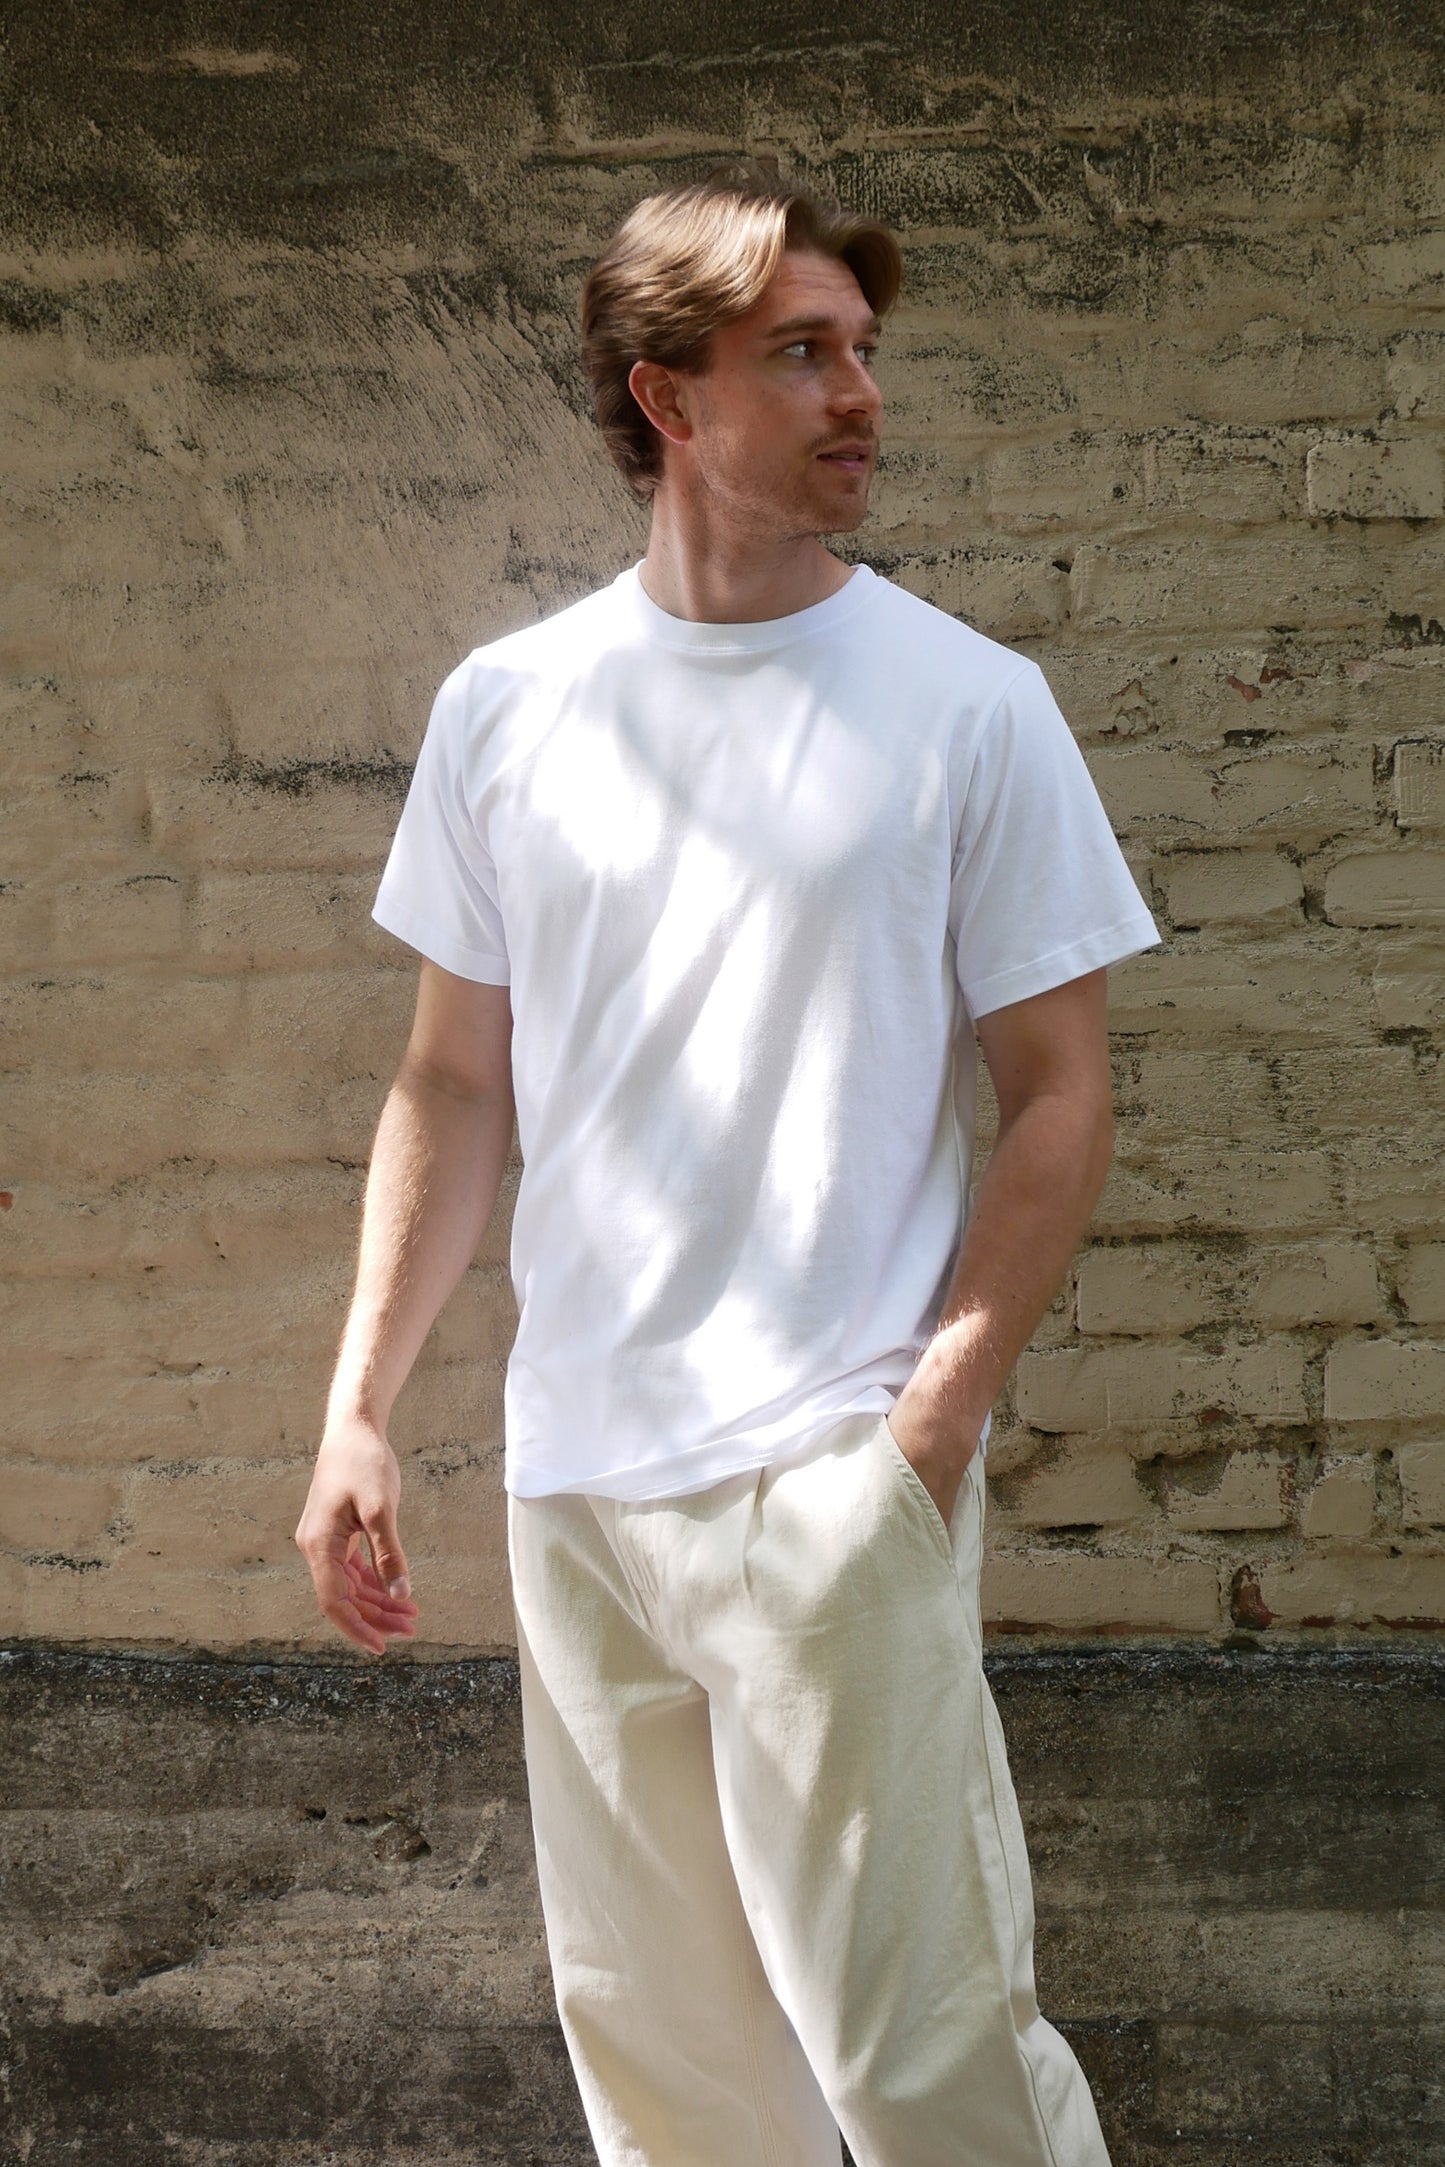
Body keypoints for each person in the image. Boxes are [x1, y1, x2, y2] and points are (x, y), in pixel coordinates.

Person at [295, 162, 1159, 2167]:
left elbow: (1059, 1095)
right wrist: (359, 1406)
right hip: (580, 1489)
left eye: (865, 350)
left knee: (926, 2070)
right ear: (668, 397)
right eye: (803, 354)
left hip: (829, 1481)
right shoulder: (510, 709)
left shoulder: (970, 708)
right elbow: (452, 1084)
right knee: (669, 2085)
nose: (861, 394)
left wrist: (921, 1438)